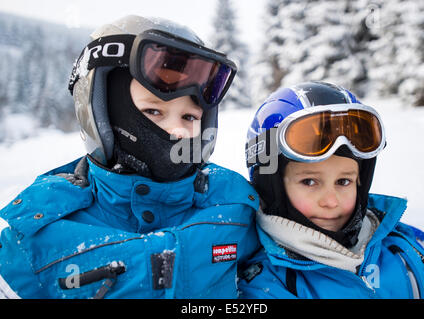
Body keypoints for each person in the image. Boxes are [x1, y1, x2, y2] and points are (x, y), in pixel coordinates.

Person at [0, 15, 260, 299]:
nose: (176, 131)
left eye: (188, 116)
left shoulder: (236, 207)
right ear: (102, 111)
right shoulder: (38, 232)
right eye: (154, 112)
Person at [238, 82, 424, 299]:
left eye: (344, 182)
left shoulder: (406, 254)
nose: (331, 201)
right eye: (309, 182)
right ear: (271, 187)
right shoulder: (265, 285)